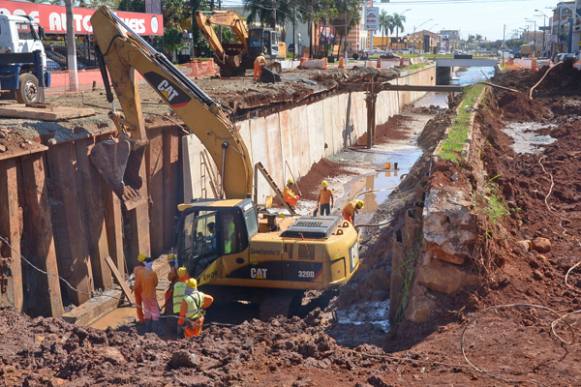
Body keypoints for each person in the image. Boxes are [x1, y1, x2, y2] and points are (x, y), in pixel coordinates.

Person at [134, 254, 160, 333]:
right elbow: (156, 283)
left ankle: (147, 328)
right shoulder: (153, 273)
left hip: (144, 295)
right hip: (151, 295)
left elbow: (137, 284)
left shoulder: (140, 272)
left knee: (147, 310)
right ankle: (155, 329)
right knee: (155, 311)